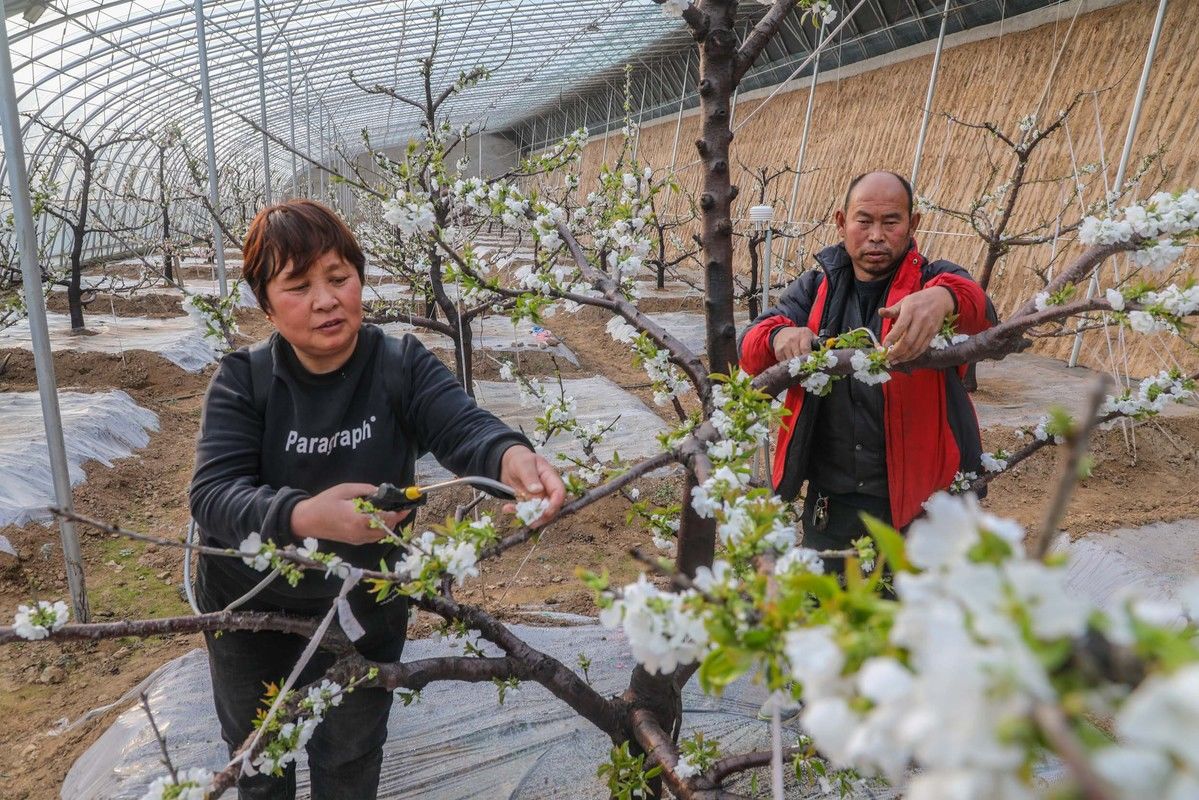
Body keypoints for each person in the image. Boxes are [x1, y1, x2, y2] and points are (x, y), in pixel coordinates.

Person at [189, 199, 565, 799]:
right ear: (265, 303)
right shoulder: (245, 381)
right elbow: (213, 494)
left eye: (339, 278)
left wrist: (512, 458)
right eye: (298, 285)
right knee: (260, 758)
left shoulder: (399, 364)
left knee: (350, 751)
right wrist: (304, 516)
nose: (325, 300)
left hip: (362, 599)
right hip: (249, 606)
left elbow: (462, 426)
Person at [740, 171, 993, 562]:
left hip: (921, 504)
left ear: (913, 224)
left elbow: (980, 311)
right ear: (842, 222)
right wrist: (779, 338)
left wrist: (942, 299)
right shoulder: (815, 288)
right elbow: (751, 345)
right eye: (864, 221)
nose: (877, 235)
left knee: (913, 615)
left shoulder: (932, 279)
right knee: (831, 611)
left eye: (891, 222)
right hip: (832, 501)